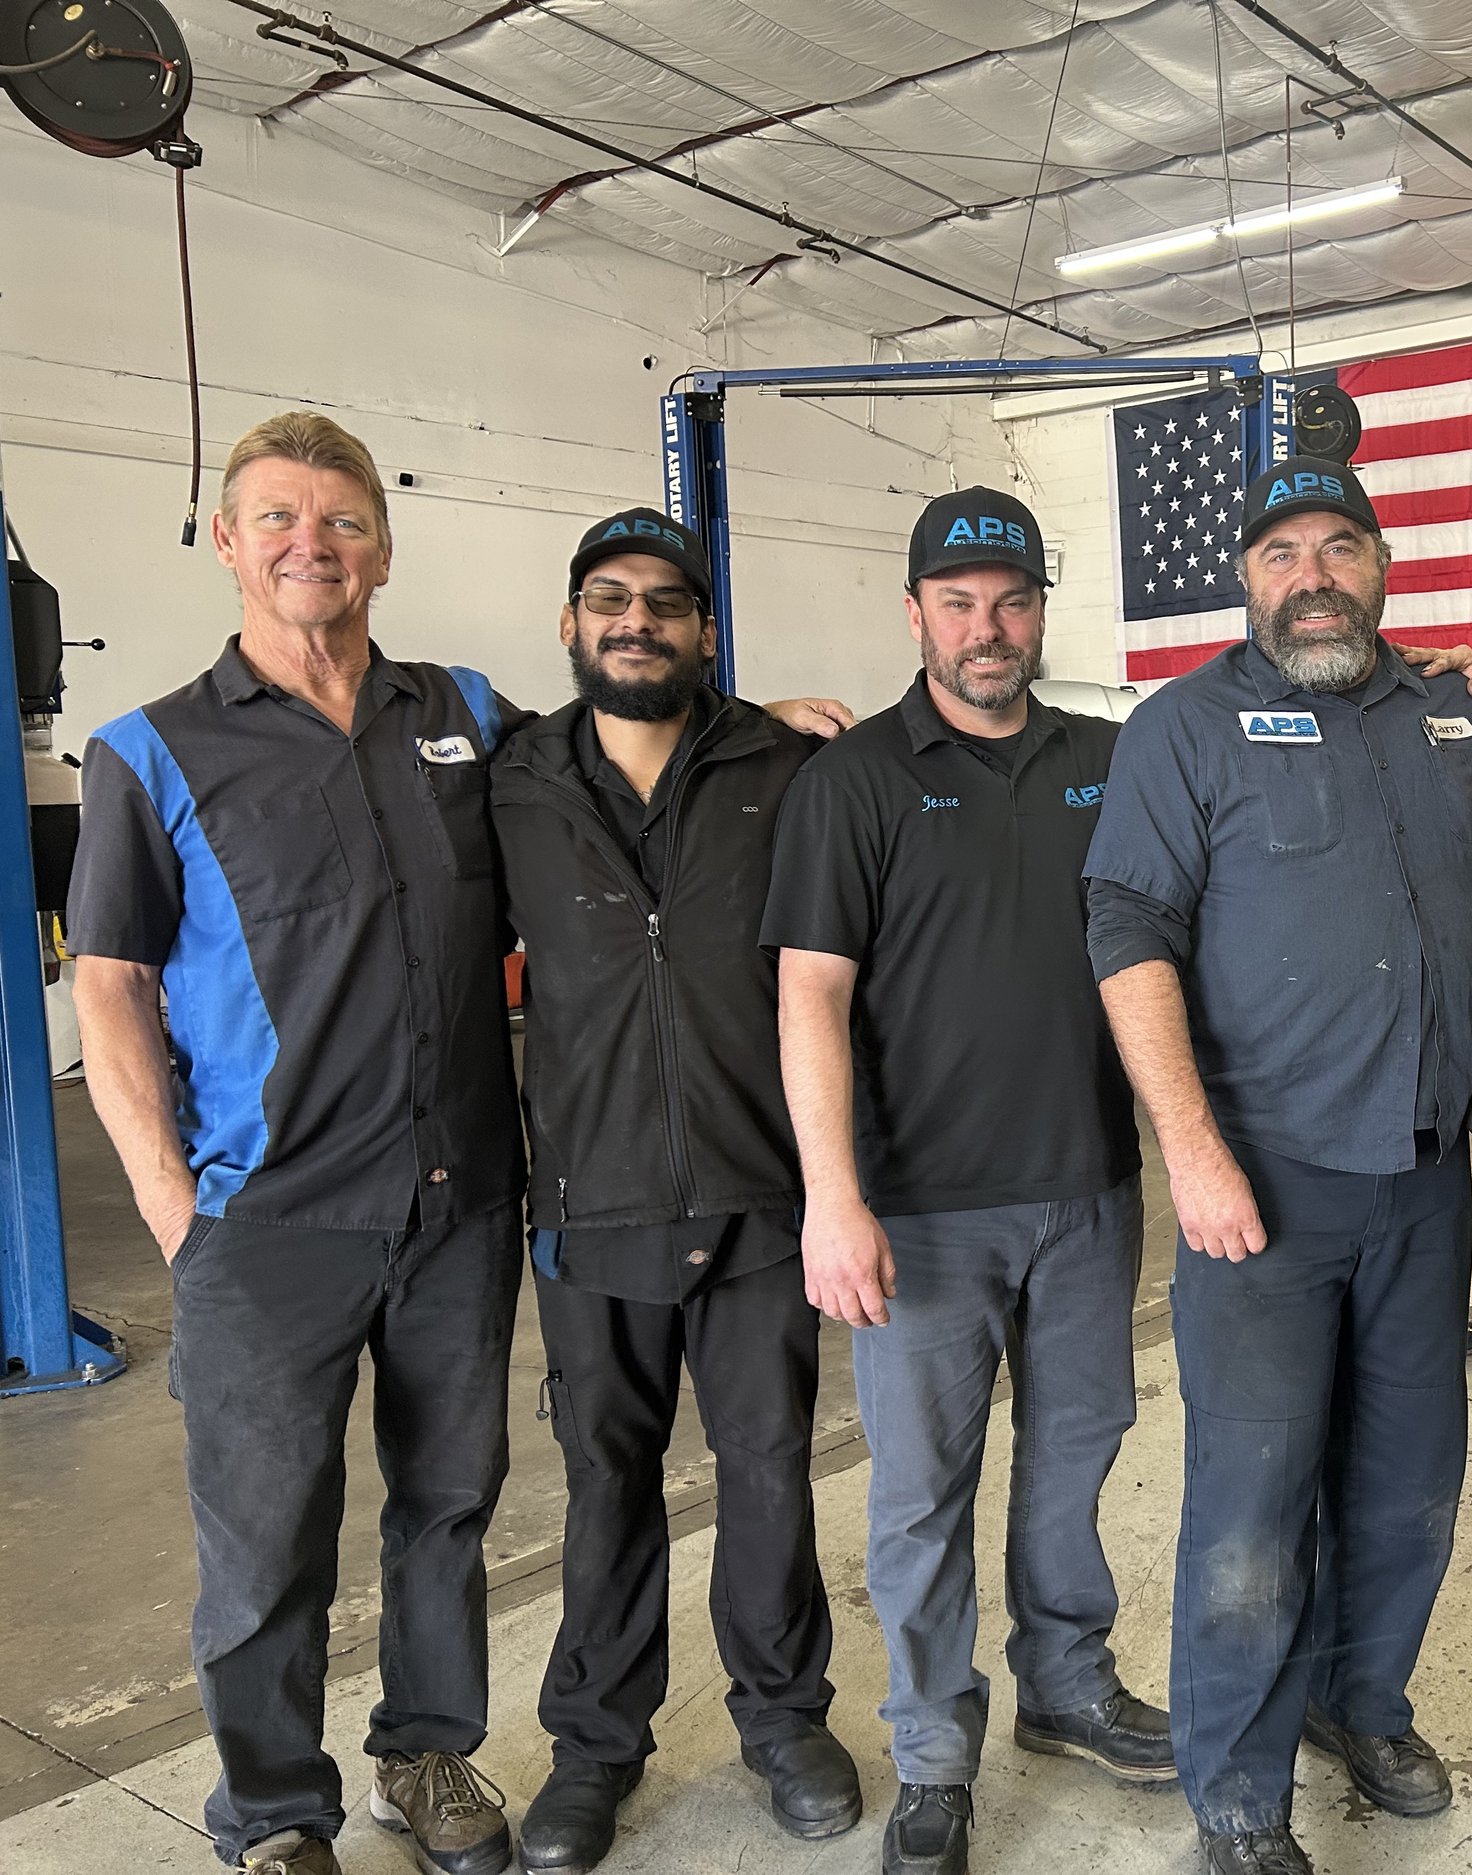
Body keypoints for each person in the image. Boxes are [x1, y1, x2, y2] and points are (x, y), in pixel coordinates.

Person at [1082, 455, 1472, 1875]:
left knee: (1410, 1478)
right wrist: (1193, 1156)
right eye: (1282, 552)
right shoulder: (1184, 729)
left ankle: (1363, 1705)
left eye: (1338, 546)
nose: (1312, 575)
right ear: (1248, 579)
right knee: (1250, 1500)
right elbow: (1128, 938)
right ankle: (1236, 1786)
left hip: (1422, 1183)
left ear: (1382, 564)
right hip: (1262, 1195)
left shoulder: (1450, 723)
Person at [68, 413, 527, 1875]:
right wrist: (167, 1204)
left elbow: (627, 790)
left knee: (447, 1506)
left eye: (339, 521)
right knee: (266, 1543)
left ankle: (427, 1756)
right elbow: (113, 981)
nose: (309, 546)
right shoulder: (150, 751)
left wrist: (792, 730)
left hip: (460, 1203)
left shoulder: (465, 713)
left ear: (382, 548)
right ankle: (273, 1811)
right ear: (226, 541)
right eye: (277, 520)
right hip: (264, 1226)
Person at [765, 489, 1171, 1875]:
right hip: (919, 1212)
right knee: (921, 1496)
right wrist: (832, 1196)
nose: (986, 628)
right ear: (916, 612)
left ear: (1041, 611)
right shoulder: (857, 777)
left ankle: (1066, 1686)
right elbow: (810, 993)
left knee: (1073, 1463)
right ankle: (936, 1753)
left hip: (1089, 1192)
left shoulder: (1111, 760)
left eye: (1010, 601)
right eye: (959, 602)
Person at [489, 509, 861, 1872]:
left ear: (705, 631)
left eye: (663, 603)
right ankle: (596, 1746)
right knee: (607, 1482)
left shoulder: (787, 762)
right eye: (608, 600)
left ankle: (782, 1720)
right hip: (590, 1202)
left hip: (759, 1193)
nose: (634, 620)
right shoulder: (512, 777)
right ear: (573, 624)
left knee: (768, 1474)